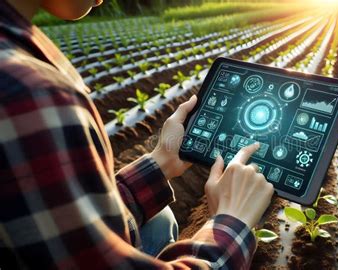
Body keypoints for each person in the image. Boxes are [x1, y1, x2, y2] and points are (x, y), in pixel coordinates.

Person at [0, 0, 275, 269]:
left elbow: (60, 217)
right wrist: (231, 223)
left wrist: (162, 161)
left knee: (159, 221)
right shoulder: (28, 92)